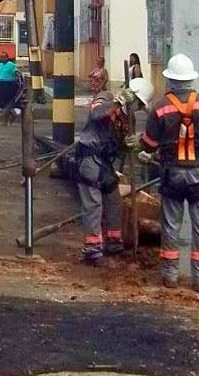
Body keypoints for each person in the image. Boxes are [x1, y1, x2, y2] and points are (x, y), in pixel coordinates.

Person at [141, 54, 199, 292]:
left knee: (170, 225)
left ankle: (170, 276)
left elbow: (149, 145)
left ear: (170, 80)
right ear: (191, 79)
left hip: (172, 174)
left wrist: (149, 148)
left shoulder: (160, 107)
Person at [73, 87, 133, 264]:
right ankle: (92, 249)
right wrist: (117, 101)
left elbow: (118, 144)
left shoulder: (126, 116)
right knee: (93, 204)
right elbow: (95, 114)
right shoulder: (106, 99)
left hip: (105, 162)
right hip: (90, 159)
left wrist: (129, 145)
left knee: (113, 199)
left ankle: (113, 241)